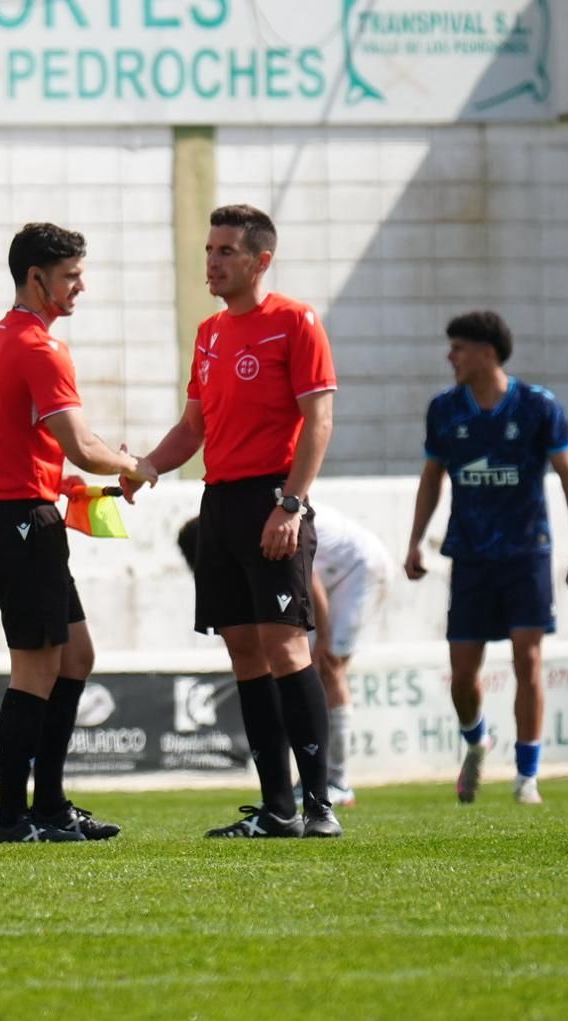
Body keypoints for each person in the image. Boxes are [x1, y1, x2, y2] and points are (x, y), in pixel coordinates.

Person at [125, 203, 341, 839]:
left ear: (260, 260)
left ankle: (319, 804)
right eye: (210, 250)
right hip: (219, 503)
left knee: (285, 645)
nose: (212, 262)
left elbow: (319, 421)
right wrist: (146, 467)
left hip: (273, 499)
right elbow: (193, 427)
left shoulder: (295, 322)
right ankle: (277, 808)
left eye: (226, 251)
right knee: (244, 651)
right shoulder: (210, 333)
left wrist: (291, 504)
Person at [0, 221, 157, 844]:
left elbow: (40, 448)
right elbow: (81, 444)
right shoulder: (38, 346)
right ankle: (11, 819)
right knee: (34, 670)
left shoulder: (1, 336)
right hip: (20, 522)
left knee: (76, 656)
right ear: (35, 277)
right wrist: (135, 466)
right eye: (71, 275)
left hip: (22, 517)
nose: (81, 286)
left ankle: (47, 806)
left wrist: (69, 483)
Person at [404, 310, 568, 805]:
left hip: (526, 553)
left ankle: (527, 776)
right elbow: (432, 477)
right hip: (469, 555)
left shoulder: (537, 407)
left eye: (458, 348)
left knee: (527, 661)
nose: (450, 357)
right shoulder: (445, 410)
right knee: (463, 672)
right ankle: (476, 739)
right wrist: (415, 539)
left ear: (487, 353)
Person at [178, 499, 391, 808]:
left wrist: (325, 640)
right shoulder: (230, 526)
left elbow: (309, 577)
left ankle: (337, 781)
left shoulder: (247, 523)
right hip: (325, 573)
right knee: (304, 667)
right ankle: (310, 779)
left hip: (359, 568)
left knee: (328, 667)